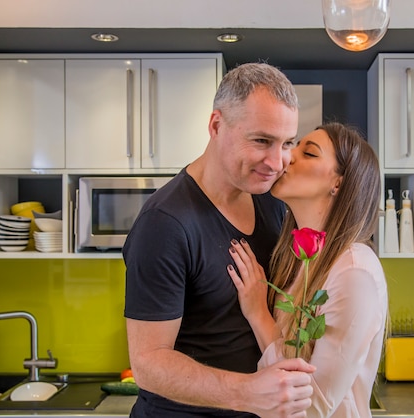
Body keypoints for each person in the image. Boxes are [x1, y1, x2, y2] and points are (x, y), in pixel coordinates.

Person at [123, 63, 316, 418]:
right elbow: (148, 363)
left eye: (287, 143)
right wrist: (247, 393)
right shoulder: (165, 223)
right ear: (216, 125)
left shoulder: (270, 199)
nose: (277, 162)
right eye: (261, 141)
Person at [228, 122, 388, 418]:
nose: (287, 158)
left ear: (338, 183)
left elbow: (312, 406)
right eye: (294, 147)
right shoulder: (298, 261)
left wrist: (258, 312)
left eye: (309, 153)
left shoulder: (355, 271)